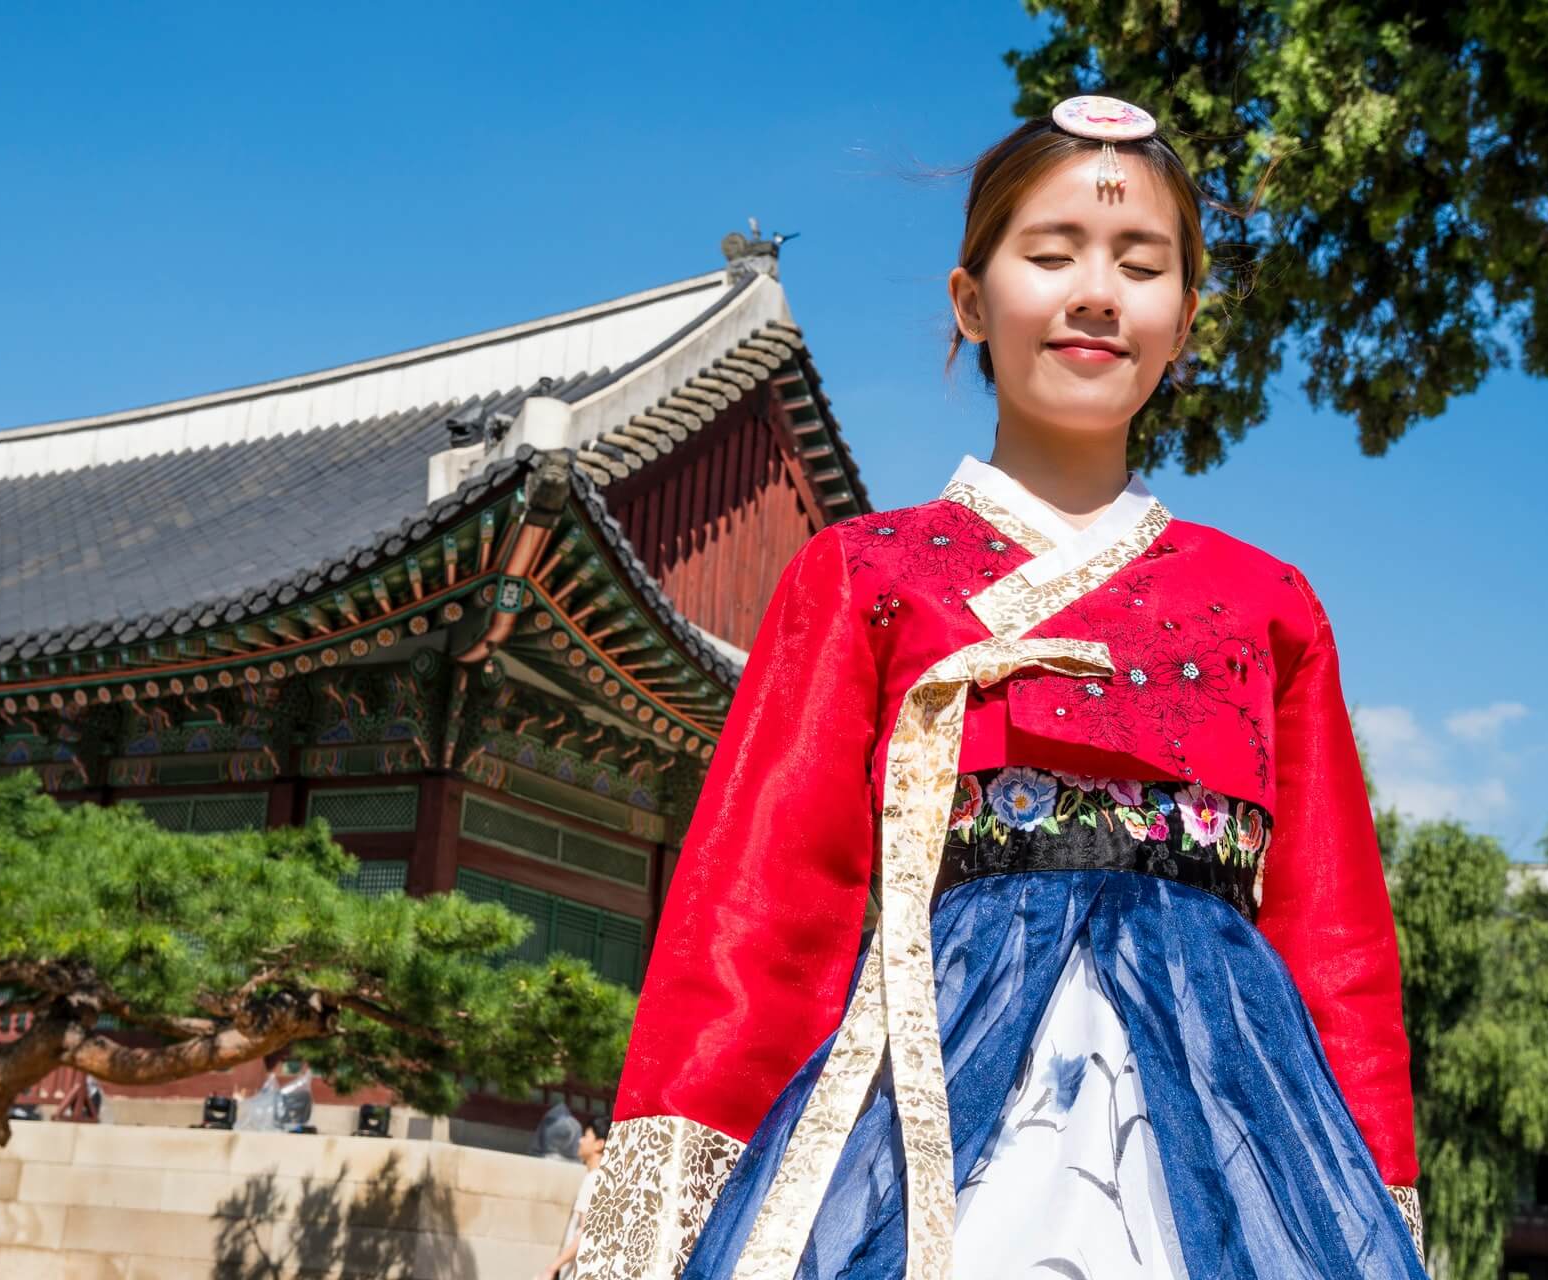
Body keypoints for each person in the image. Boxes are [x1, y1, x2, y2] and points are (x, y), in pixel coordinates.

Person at [576, 96, 1425, 1280]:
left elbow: (1333, 938)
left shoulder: (1268, 604)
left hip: (1235, 1125)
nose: (1095, 291)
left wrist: (1370, 1190)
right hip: (934, 1101)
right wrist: (662, 1208)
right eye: (1051, 252)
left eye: (1141, 264)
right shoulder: (863, 574)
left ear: (1184, 320)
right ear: (971, 301)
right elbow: (758, 911)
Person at [538, 1115, 609, 1280]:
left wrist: (551, 1269)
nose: (580, 1140)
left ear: (600, 1144)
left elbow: (585, 1232)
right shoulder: (602, 1179)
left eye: (586, 1136)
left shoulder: (593, 1180)